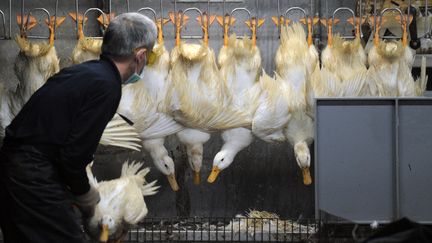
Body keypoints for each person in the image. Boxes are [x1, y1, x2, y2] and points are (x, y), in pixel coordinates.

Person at [0, 13, 157, 243]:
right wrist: (87, 199)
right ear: (140, 56)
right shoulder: (108, 86)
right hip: (32, 176)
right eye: (150, 58)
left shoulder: (85, 72)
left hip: (16, 170)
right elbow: (73, 156)